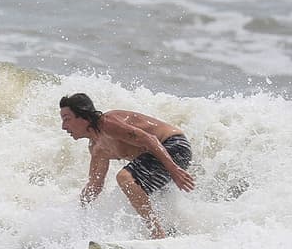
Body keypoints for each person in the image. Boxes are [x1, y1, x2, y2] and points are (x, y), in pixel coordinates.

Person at [59, 93, 195, 238]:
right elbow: (95, 185)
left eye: (67, 119)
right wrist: (79, 211)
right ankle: (173, 232)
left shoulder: (107, 123)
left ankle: (157, 233)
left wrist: (173, 170)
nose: (63, 126)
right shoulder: (97, 148)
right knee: (139, 193)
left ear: (83, 115)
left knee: (125, 178)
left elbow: (149, 139)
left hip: (174, 146)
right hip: (162, 159)